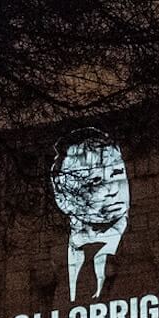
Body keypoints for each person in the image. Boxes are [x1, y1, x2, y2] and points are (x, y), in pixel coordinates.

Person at [50, 127, 131, 301]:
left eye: (117, 174)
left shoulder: (141, 253)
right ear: (61, 195)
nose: (113, 189)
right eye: (95, 180)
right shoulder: (50, 263)